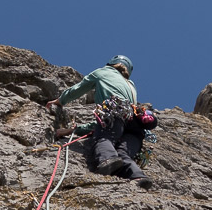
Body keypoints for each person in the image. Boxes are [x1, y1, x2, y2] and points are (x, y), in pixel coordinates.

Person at [47, 55, 153, 188]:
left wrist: (60, 101)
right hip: (135, 126)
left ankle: (108, 159)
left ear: (111, 63)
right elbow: (102, 124)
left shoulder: (103, 72)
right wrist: (73, 130)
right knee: (123, 153)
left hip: (116, 113)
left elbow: (79, 88)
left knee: (103, 139)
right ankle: (138, 177)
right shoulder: (131, 85)